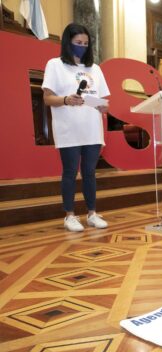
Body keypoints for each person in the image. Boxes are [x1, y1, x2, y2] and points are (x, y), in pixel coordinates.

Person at [42, 23, 109, 232]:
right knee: (70, 172)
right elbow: (47, 98)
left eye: (86, 43)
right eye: (78, 43)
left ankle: (92, 214)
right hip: (68, 129)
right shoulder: (55, 65)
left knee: (89, 172)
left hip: (91, 129)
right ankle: (69, 216)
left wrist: (97, 104)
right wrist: (66, 99)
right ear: (67, 43)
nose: (82, 46)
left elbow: (105, 103)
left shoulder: (95, 69)